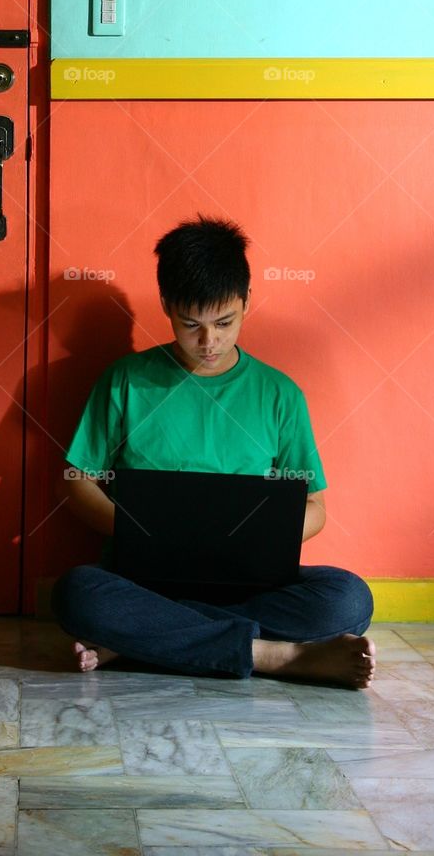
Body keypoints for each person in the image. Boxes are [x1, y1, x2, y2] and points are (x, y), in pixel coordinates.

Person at [51, 215, 376, 689]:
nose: (209, 342)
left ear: (246, 301)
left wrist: (257, 542)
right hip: (146, 580)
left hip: (246, 583)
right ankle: (276, 656)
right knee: (77, 593)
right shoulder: (126, 380)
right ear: (166, 305)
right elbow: (76, 482)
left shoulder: (279, 394)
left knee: (349, 598)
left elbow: (315, 507)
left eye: (224, 323)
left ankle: (144, 639)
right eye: (191, 325)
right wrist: (143, 533)